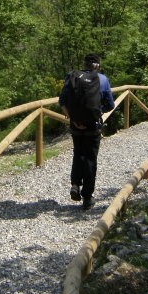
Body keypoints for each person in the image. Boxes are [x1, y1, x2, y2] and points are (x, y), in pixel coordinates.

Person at [59, 54, 115, 210]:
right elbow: (110, 105)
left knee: (78, 153)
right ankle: (87, 197)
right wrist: (95, 114)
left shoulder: (72, 76)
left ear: (84, 63)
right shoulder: (103, 79)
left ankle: (75, 184)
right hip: (93, 126)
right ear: (97, 65)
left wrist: (75, 119)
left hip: (75, 126)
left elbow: (62, 102)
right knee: (90, 159)